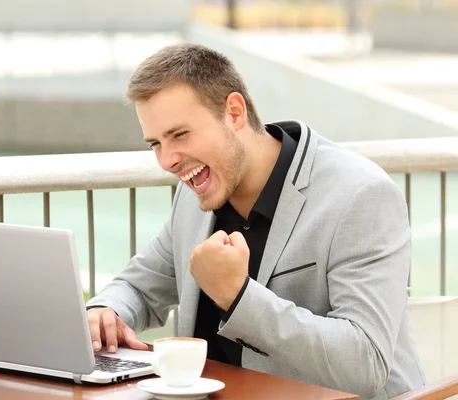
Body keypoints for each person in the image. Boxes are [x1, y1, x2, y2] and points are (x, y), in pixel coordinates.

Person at [85, 42, 426, 399]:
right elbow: (141, 285)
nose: (167, 160)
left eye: (180, 134)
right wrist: (105, 311)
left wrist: (238, 297)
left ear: (234, 112)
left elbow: (365, 364)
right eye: (155, 143)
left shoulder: (360, 193)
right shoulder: (196, 192)